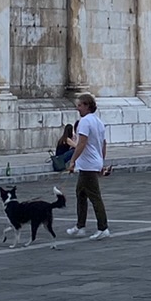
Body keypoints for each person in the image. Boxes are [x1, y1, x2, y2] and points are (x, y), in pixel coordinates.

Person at [63, 93, 111, 239]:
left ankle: (103, 228)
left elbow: (81, 143)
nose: (77, 108)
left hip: (88, 164)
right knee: (81, 194)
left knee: (94, 197)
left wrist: (72, 161)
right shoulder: (98, 122)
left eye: (79, 105)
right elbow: (103, 144)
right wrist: (101, 162)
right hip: (93, 162)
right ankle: (80, 225)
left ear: (86, 106)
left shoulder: (84, 122)